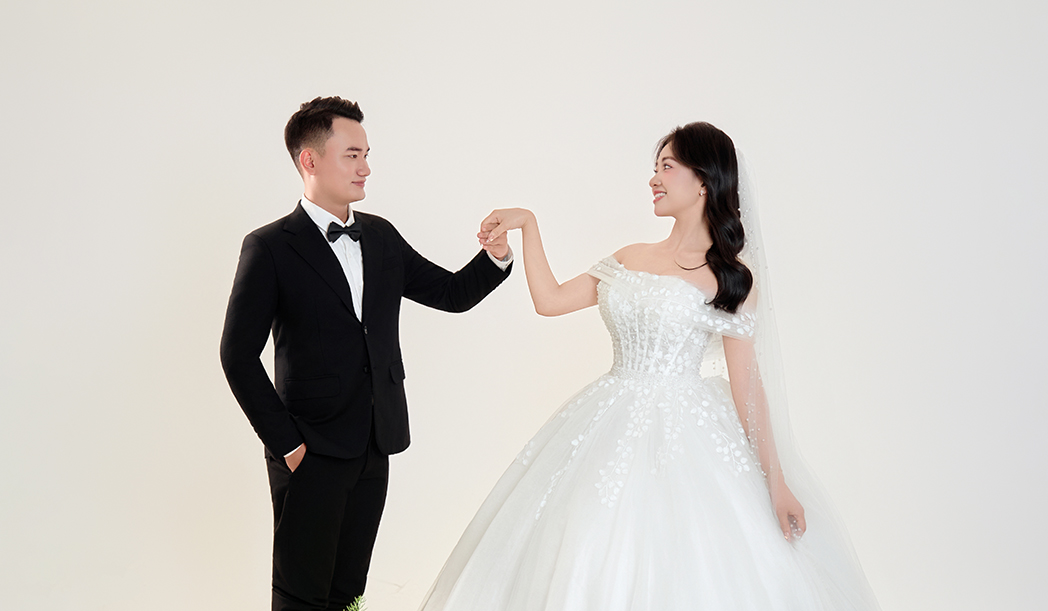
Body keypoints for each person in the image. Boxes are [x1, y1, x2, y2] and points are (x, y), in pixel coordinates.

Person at [420, 122, 881, 610]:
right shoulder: (629, 257)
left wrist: (776, 481)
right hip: (607, 416)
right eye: (655, 168)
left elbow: (747, 384)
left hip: (688, 434)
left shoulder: (730, 278)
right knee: (586, 539)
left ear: (703, 180)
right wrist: (527, 226)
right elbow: (549, 301)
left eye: (667, 166)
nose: (653, 179)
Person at [220, 96, 513, 611]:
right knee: (301, 594)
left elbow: (450, 294)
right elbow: (237, 356)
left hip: (376, 441)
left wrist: (496, 256)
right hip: (309, 449)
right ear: (310, 160)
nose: (366, 168)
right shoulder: (269, 247)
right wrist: (288, 445)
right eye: (352, 155)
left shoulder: (379, 236)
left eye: (367, 155)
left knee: (349, 590)